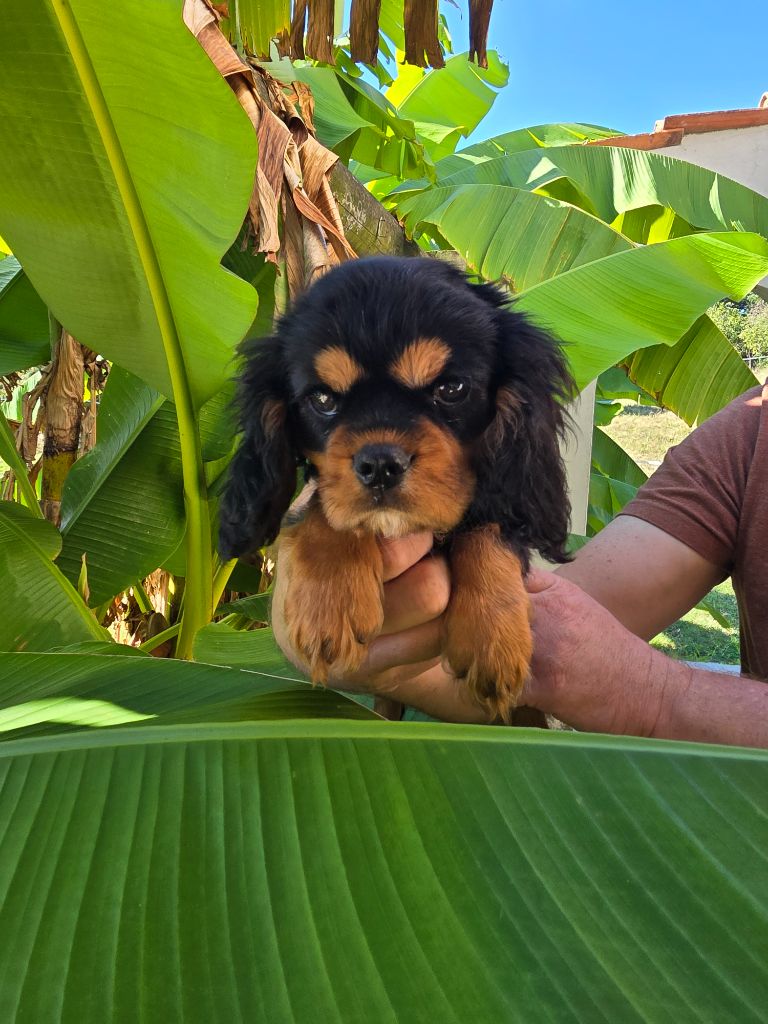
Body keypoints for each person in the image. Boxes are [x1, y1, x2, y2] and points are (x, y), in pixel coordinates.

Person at [272, 384, 768, 748]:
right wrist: (379, 643)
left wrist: (657, 698)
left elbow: (603, 674)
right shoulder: (751, 434)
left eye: (450, 390)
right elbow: (549, 645)